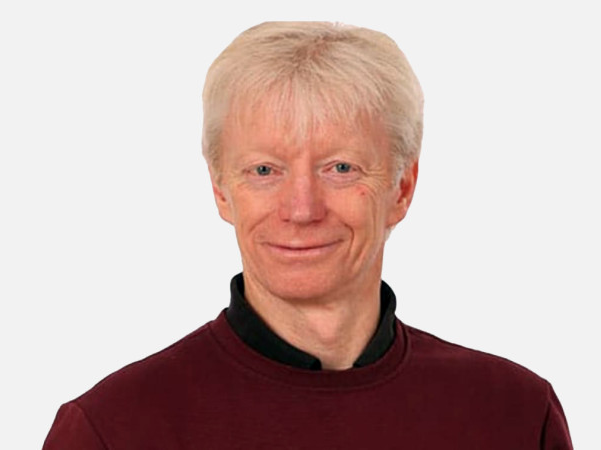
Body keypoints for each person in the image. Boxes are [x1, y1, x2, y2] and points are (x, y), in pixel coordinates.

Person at [43, 21, 573, 449]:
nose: (301, 209)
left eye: (340, 168)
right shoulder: (113, 430)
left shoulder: (514, 416)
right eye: (264, 170)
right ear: (221, 190)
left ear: (402, 187)